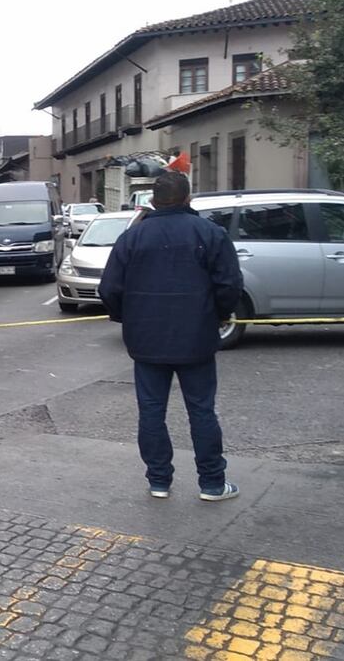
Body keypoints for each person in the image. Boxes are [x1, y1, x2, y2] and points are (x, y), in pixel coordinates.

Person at [99, 172, 243, 501]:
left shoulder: (132, 237)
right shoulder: (210, 233)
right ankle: (211, 482)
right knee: (202, 410)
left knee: (151, 411)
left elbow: (109, 288)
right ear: (187, 198)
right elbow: (230, 285)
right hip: (197, 337)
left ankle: (159, 480)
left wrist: (127, 317)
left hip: (146, 339)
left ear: (152, 200)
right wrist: (218, 315)